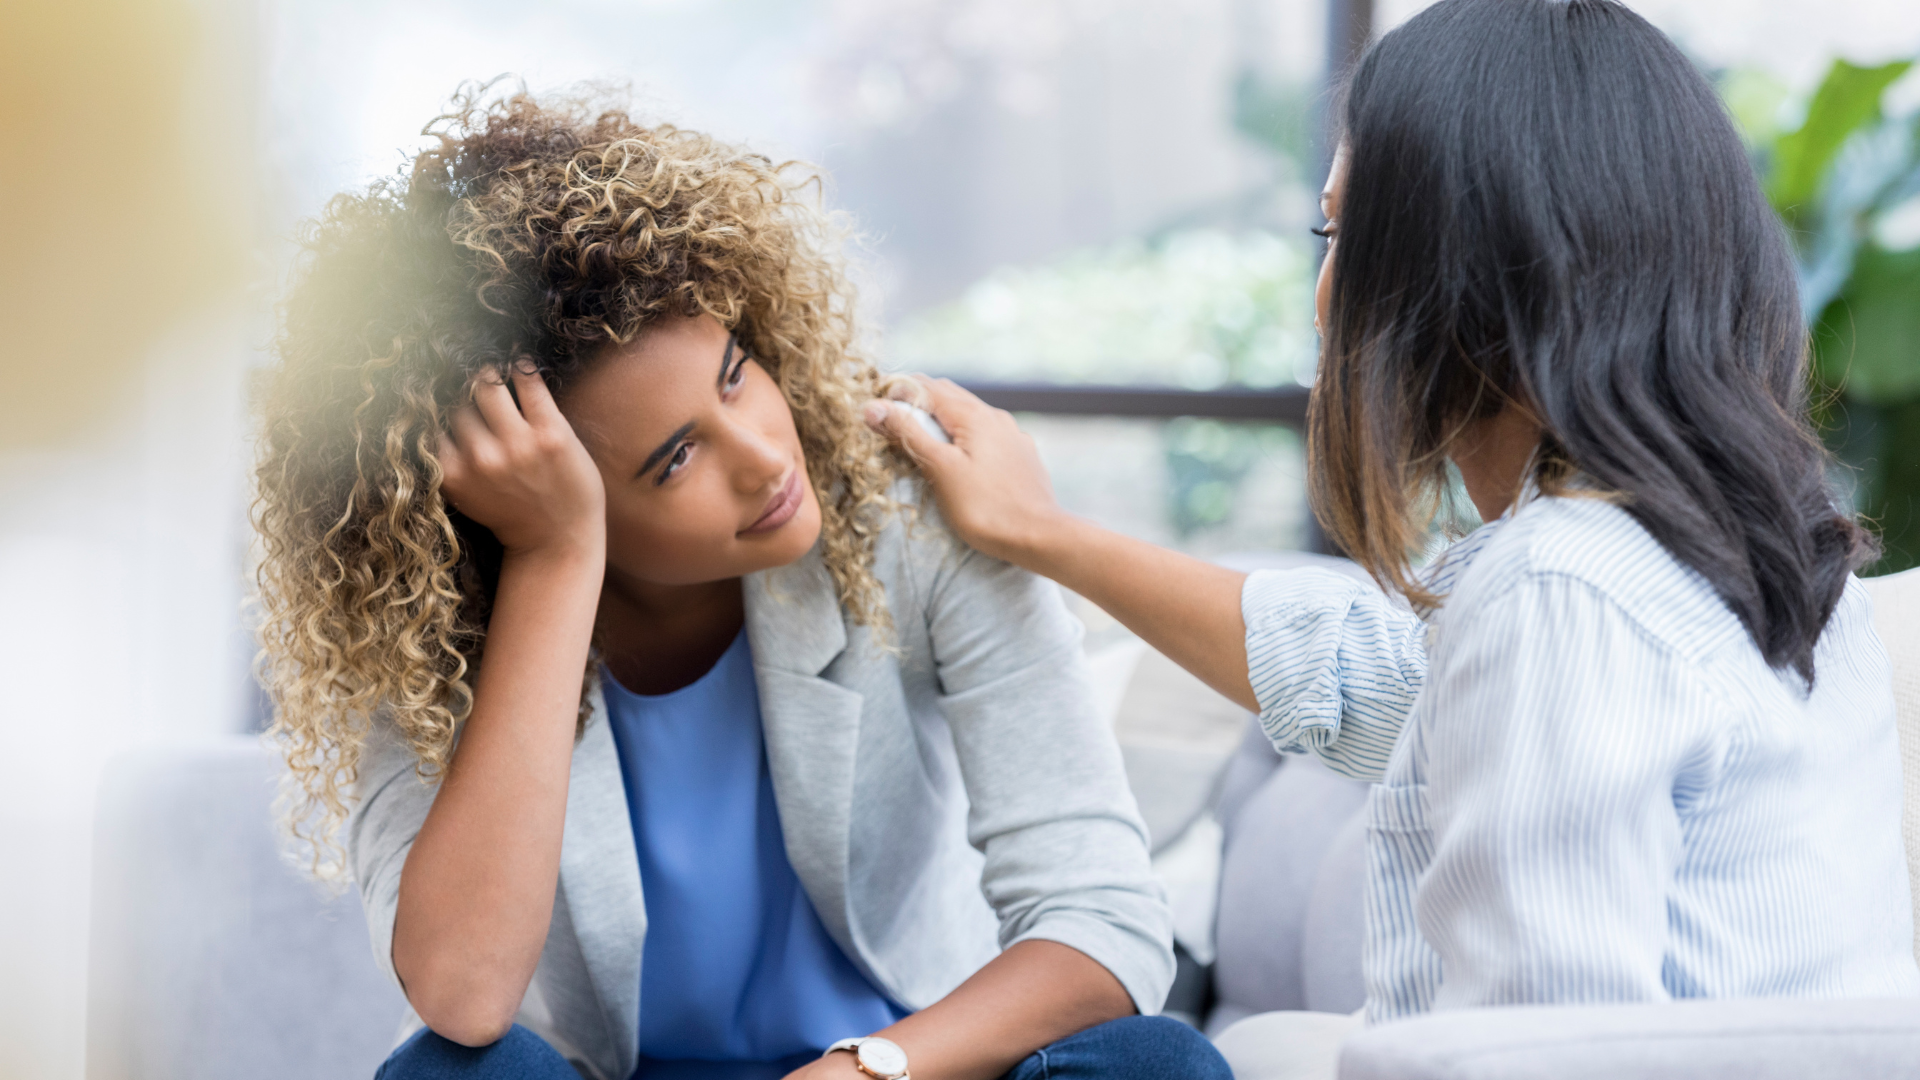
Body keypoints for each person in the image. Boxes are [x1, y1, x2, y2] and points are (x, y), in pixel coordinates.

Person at [865, 0, 1920, 1073]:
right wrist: (1040, 533)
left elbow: (1538, 1056)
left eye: (1341, 237)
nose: (1326, 301)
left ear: (1471, 269)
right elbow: (1370, 677)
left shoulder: (1561, 590)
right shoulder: (1764, 568)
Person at [252, 89, 1232, 1080]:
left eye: (736, 372)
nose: (767, 457)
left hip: (905, 1067)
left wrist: (862, 1071)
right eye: (674, 460)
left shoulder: (910, 518)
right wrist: (555, 563)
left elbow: (1103, 921)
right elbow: (462, 996)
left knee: (1159, 1065)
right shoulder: (427, 622)